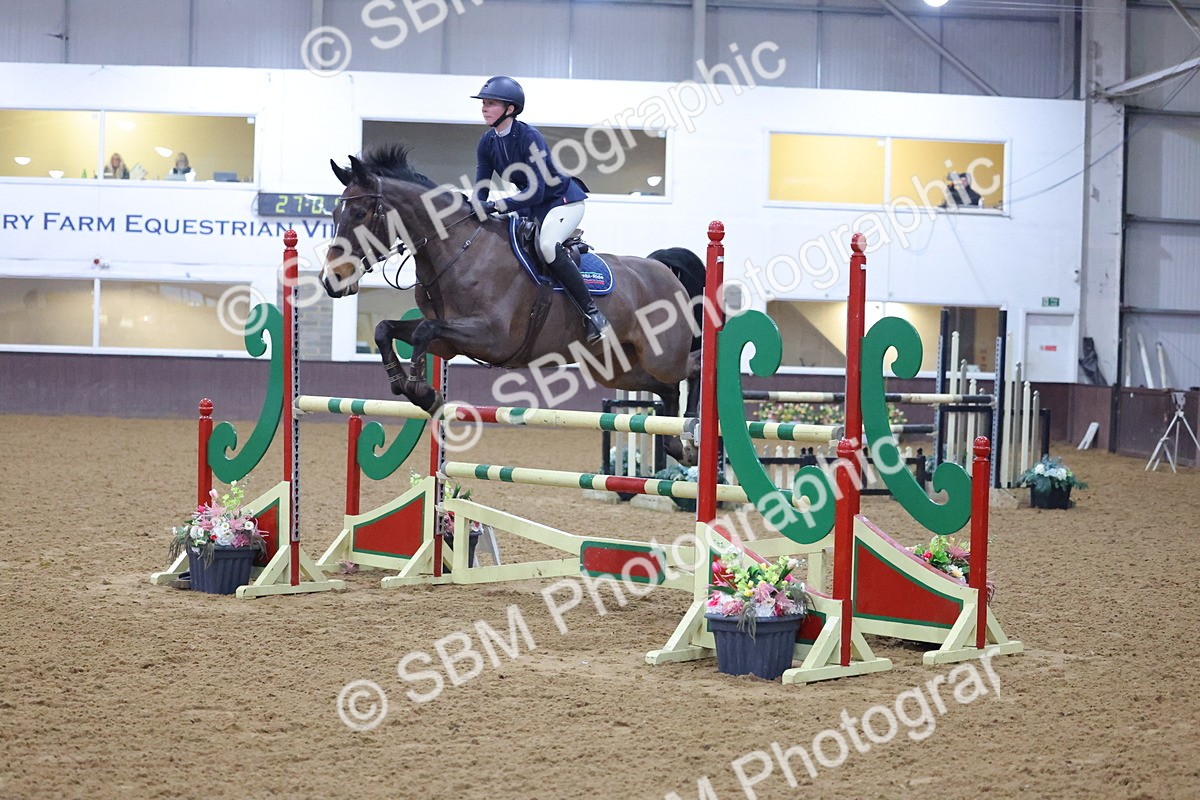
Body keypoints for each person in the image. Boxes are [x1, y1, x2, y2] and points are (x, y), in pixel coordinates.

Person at [470, 75, 610, 344]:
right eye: (483, 103)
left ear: (510, 109)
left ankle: (593, 314)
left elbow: (536, 190)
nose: (484, 108)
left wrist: (496, 206)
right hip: (530, 207)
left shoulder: (529, 137)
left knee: (547, 246)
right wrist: (474, 207)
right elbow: (482, 185)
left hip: (561, 202)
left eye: (491, 103)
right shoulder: (487, 142)